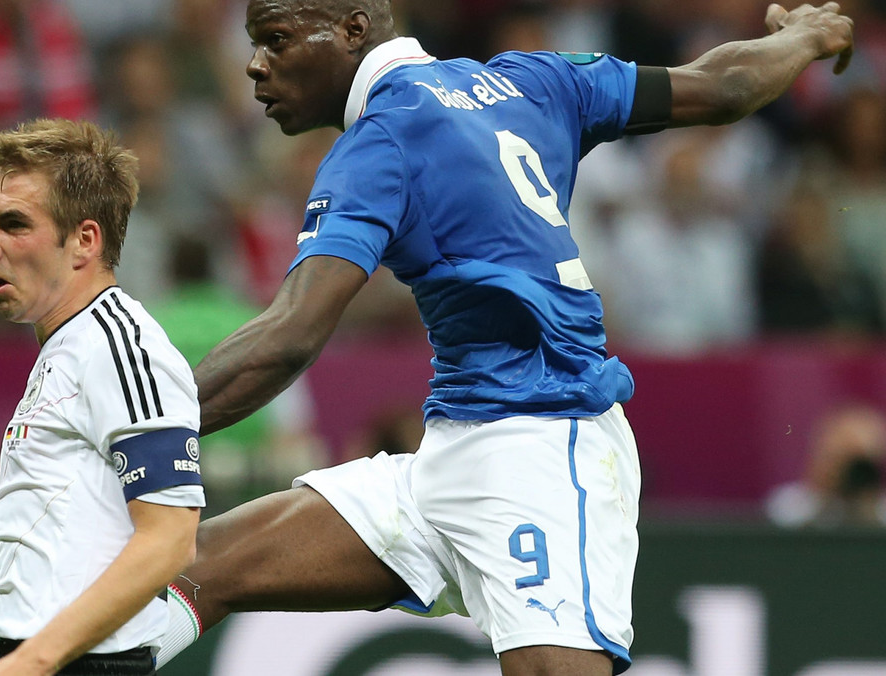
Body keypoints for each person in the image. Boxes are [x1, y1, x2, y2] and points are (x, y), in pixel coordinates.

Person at [154, 2, 855, 675]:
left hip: (545, 449)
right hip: (450, 455)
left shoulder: (381, 140)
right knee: (189, 570)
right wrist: (802, 39)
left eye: (275, 39)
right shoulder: (533, 81)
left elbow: (291, 334)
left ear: (351, 30)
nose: (254, 66)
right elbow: (723, 85)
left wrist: (138, 441)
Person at [0, 119, 204, 676]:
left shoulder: (118, 347)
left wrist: (35, 660)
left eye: (13, 223)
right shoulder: (69, 346)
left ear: (85, 240)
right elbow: (69, 563)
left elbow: (170, 540)